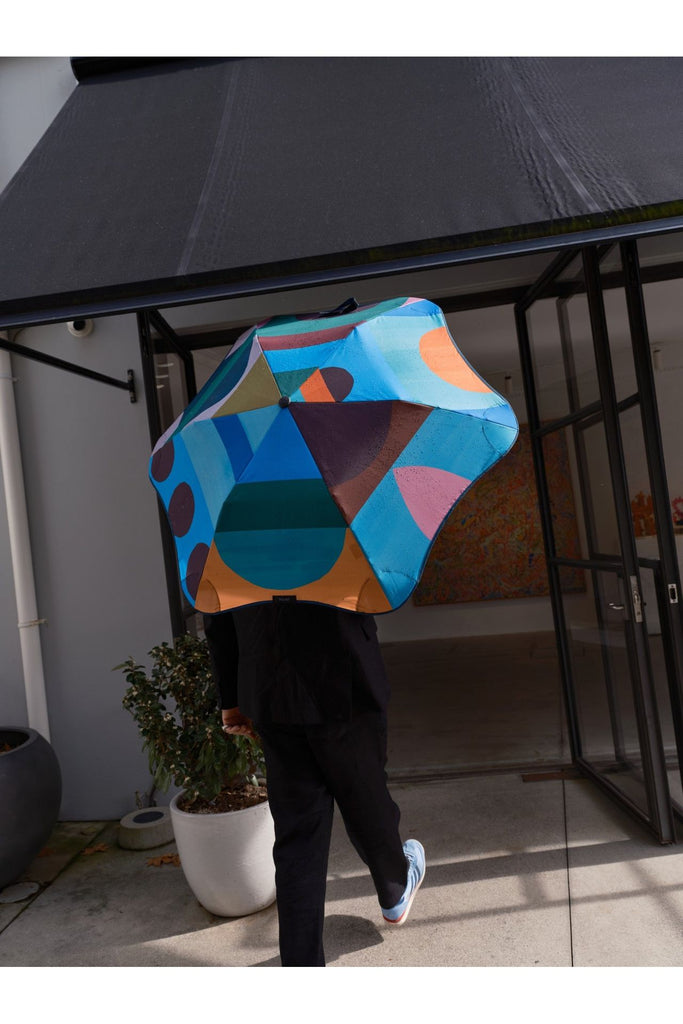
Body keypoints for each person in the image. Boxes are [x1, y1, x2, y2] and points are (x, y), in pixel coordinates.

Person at [203, 601, 425, 967]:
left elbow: (217, 603)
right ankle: (395, 888)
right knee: (365, 793)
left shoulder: (230, 538)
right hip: (342, 668)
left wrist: (231, 696)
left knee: (297, 838)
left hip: (270, 681)